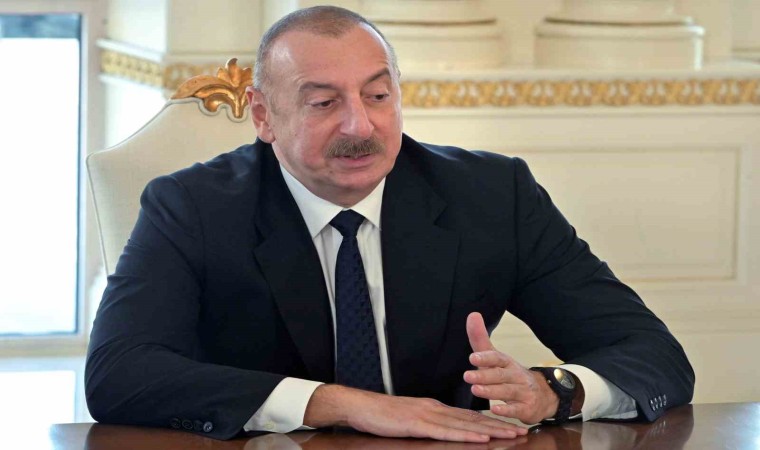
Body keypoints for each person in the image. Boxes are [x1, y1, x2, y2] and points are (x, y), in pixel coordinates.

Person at [85, 5, 694, 443]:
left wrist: (554, 391)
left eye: (377, 96)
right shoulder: (191, 207)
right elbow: (120, 374)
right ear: (264, 116)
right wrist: (340, 405)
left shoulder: (491, 195)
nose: (360, 126)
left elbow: (653, 355)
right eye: (324, 103)